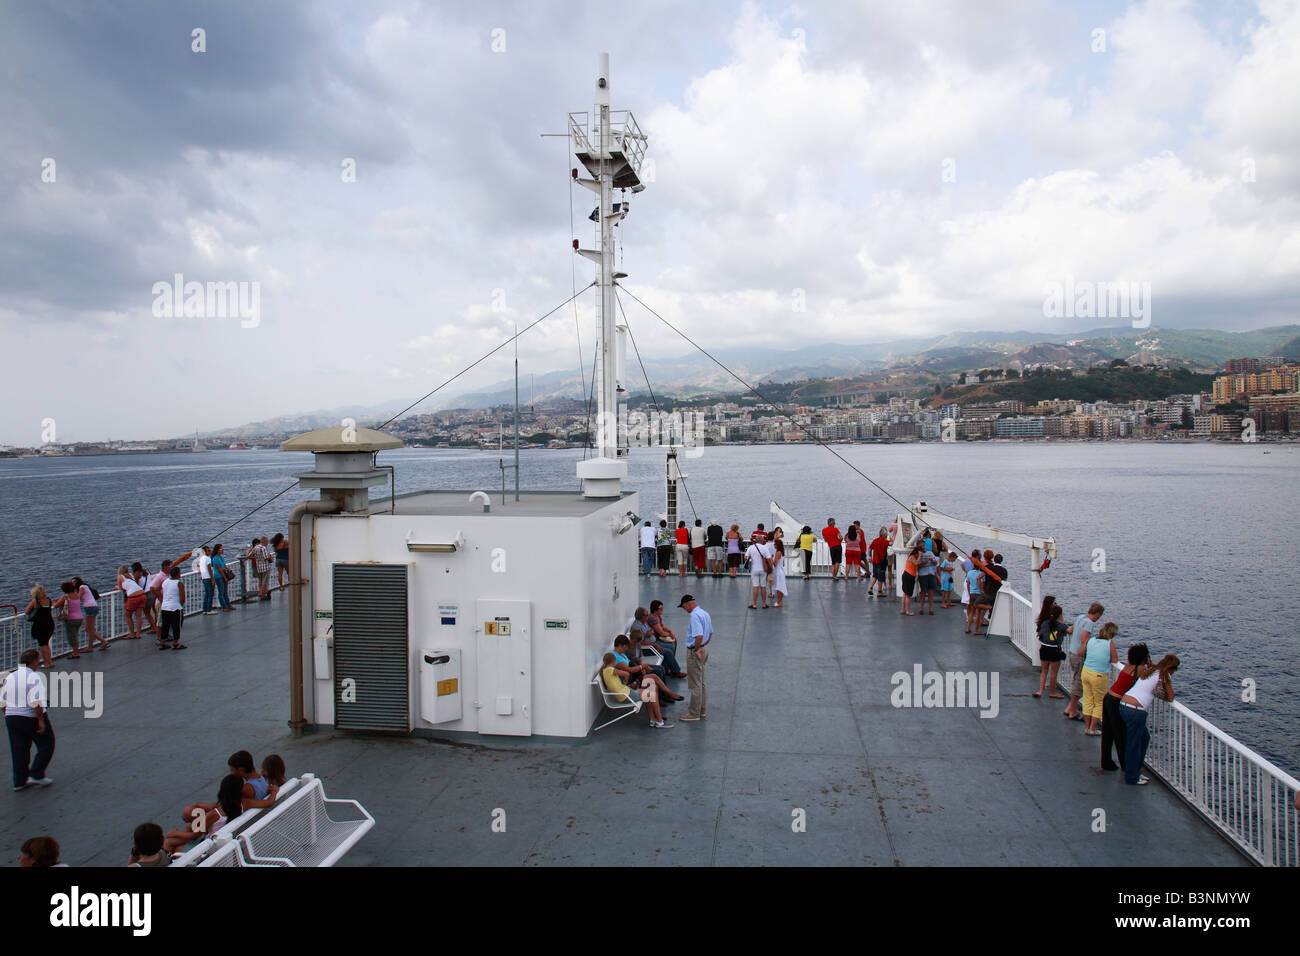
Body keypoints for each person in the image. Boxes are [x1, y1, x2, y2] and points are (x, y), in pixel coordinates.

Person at [1119, 654, 1179, 786]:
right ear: (1172, 668)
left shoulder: (1151, 671)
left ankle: (1135, 769)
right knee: (1134, 744)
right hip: (1136, 710)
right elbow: (1171, 697)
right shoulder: (1164, 675)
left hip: (1124, 705)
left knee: (1144, 738)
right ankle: (1132, 777)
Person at [3, 649, 55, 791]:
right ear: (34, 661)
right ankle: (36, 773)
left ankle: (19, 782)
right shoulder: (33, 677)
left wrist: (8, 715)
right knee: (47, 743)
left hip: (11, 717)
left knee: (19, 749)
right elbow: (36, 702)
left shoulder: (10, 677)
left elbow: (3, 702)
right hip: (29, 717)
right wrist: (40, 720)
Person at [164, 774, 246, 854]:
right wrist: (197, 805)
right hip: (226, 842)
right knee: (189, 827)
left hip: (209, 849)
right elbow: (212, 806)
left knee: (169, 842)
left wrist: (175, 833)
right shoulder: (242, 805)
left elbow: (195, 836)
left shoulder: (215, 814)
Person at [1102, 643, 1150, 773]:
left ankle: (1106, 762)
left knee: (1108, 733)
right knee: (1121, 735)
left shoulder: (1129, 666)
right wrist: (1150, 664)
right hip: (1116, 701)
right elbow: (1151, 676)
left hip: (1108, 698)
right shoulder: (1140, 669)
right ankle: (1126, 766)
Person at [600, 652, 670, 729]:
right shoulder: (610, 669)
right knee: (652, 694)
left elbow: (609, 686)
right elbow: (626, 674)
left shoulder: (604, 671)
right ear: (613, 661)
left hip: (625, 693)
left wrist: (624, 685)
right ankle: (660, 721)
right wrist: (625, 682)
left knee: (648, 691)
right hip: (626, 695)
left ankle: (653, 720)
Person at [1065, 602, 1104, 721]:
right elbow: (1084, 640)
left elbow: (1070, 630)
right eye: (1100, 615)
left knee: (1075, 679)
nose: (1099, 618)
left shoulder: (1080, 617)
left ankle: (1069, 708)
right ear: (1097, 614)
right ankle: (1073, 711)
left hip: (1072, 652)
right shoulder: (1089, 623)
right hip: (1079, 656)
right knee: (1078, 683)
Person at [1080, 621, 1119, 736]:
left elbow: (1082, 652)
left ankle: (1087, 727)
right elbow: (1115, 660)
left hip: (1086, 672)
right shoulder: (1109, 643)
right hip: (1098, 675)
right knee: (1099, 702)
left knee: (1087, 700)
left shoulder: (1091, 639)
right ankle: (1092, 729)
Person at [677, 595, 711, 722]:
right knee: (701, 681)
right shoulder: (704, 613)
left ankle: (694, 713)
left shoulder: (694, 616)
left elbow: (698, 636)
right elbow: (710, 633)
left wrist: (696, 649)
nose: (684, 609)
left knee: (694, 683)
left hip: (695, 651)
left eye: (684, 606)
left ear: (687, 604)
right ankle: (702, 710)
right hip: (704, 649)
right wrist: (703, 647)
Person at [631, 607, 684, 677]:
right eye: (646, 615)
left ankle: (667, 669)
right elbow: (639, 643)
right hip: (648, 649)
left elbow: (652, 631)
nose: (648, 616)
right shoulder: (636, 627)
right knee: (667, 652)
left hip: (654, 643)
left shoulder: (644, 622)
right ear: (641, 616)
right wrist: (654, 644)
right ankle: (676, 672)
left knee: (671, 646)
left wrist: (651, 633)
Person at [1033, 603, 1068, 699]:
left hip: (1044, 649)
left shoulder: (1044, 623)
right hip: (1054, 651)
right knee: (1053, 673)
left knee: (1044, 671)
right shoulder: (1061, 626)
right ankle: (1053, 692)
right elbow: (1069, 631)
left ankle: (1040, 691)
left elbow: (1040, 633)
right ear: (1060, 615)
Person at [23, 584, 55, 669]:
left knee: (42, 645)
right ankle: (50, 662)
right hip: (50, 624)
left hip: (40, 625)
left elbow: (26, 611)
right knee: (46, 643)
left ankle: (46, 663)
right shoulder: (49, 600)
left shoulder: (36, 601)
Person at [72, 576, 108, 651]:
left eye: (74, 582)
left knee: (89, 629)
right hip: (92, 607)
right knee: (88, 629)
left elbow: (78, 597)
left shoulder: (82, 587)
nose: (72, 584)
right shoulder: (84, 587)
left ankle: (100, 643)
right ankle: (93, 645)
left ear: (78, 582)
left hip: (90, 607)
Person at [51, 581, 85, 658]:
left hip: (71, 619)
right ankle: (76, 651)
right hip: (79, 617)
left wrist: (53, 603)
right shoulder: (76, 595)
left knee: (72, 636)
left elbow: (56, 606)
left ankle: (76, 653)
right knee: (75, 635)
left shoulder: (65, 596)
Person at [158, 564, 187, 650]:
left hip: (165, 607)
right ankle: (175, 642)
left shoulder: (165, 581)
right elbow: (182, 597)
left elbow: (157, 589)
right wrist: (181, 605)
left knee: (165, 625)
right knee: (176, 626)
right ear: (178, 574)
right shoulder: (179, 583)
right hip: (175, 607)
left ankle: (162, 642)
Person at [116, 566, 146, 639]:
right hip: (142, 595)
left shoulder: (120, 576)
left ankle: (132, 634)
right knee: (139, 616)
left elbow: (120, 588)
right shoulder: (130, 575)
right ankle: (138, 634)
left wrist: (116, 587)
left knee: (128, 615)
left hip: (133, 597)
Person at [745, 535, 772, 609]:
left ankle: (754, 604)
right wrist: (771, 567)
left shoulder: (751, 547)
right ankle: (764, 604)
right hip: (763, 569)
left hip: (754, 569)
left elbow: (745, 557)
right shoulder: (765, 548)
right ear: (762, 540)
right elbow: (769, 558)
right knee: (763, 586)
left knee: (755, 587)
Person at [134, 562, 159, 634]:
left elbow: (136, 585)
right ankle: (158, 625)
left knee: (147, 612)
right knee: (155, 610)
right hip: (152, 592)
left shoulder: (137, 575)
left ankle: (154, 628)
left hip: (146, 594)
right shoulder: (147, 572)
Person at [211, 544, 236, 611]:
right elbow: (219, 569)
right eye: (221, 549)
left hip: (223, 575)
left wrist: (229, 571)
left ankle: (228, 605)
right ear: (217, 550)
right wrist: (225, 577)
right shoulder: (215, 558)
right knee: (221, 592)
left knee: (225, 592)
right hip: (219, 576)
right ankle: (224, 606)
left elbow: (224, 566)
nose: (222, 550)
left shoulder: (221, 557)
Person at [916, 544, 938, 614]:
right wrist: (925, 561)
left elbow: (935, 563)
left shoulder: (930, 553)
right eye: (922, 546)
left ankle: (931, 608)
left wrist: (931, 559)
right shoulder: (918, 555)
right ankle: (921, 608)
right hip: (923, 575)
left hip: (931, 574)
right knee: (923, 592)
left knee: (931, 592)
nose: (924, 547)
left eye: (924, 545)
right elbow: (918, 566)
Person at [868, 527, 889, 597]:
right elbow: (891, 543)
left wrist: (870, 556)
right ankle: (879, 591)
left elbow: (870, 549)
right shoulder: (884, 541)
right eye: (886, 534)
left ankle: (870, 588)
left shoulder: (875, 540)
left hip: (875, 561)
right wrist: (892, 538)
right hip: (881, 562)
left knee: (875, 575)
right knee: (880, 576)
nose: (887, 535)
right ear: (884, 535)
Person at [770, 527, 788, 607]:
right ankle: (779, 601)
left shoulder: (777, 553)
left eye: (775, 544)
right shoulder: (781, 552)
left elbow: (775, 564)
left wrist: (770, 559)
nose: (774, 545)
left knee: (779, 587)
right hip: (780, 571)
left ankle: (779, 602)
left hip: (778, 572)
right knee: (779, 586)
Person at [900, 545, 920, 616]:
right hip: (909, 576)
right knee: (908, 595)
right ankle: (908, 611)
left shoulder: (910, 557)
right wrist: (920, 556)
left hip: (906, 575)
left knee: (905, 593)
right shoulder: (912, 557)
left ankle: (903, 609)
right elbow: (916, 563)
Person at [198, 545, 216, 614]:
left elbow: (199, 566)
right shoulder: (208, 558)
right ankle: (209, 610)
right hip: (208, 578)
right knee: (210, 594)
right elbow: (209, 569)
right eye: (208, 550)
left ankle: (204, 609)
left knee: (206, 594)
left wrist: (201, 574)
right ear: (204, 552)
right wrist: (212, 579)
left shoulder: (201, 558)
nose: (210, 551)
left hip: (204, 578)